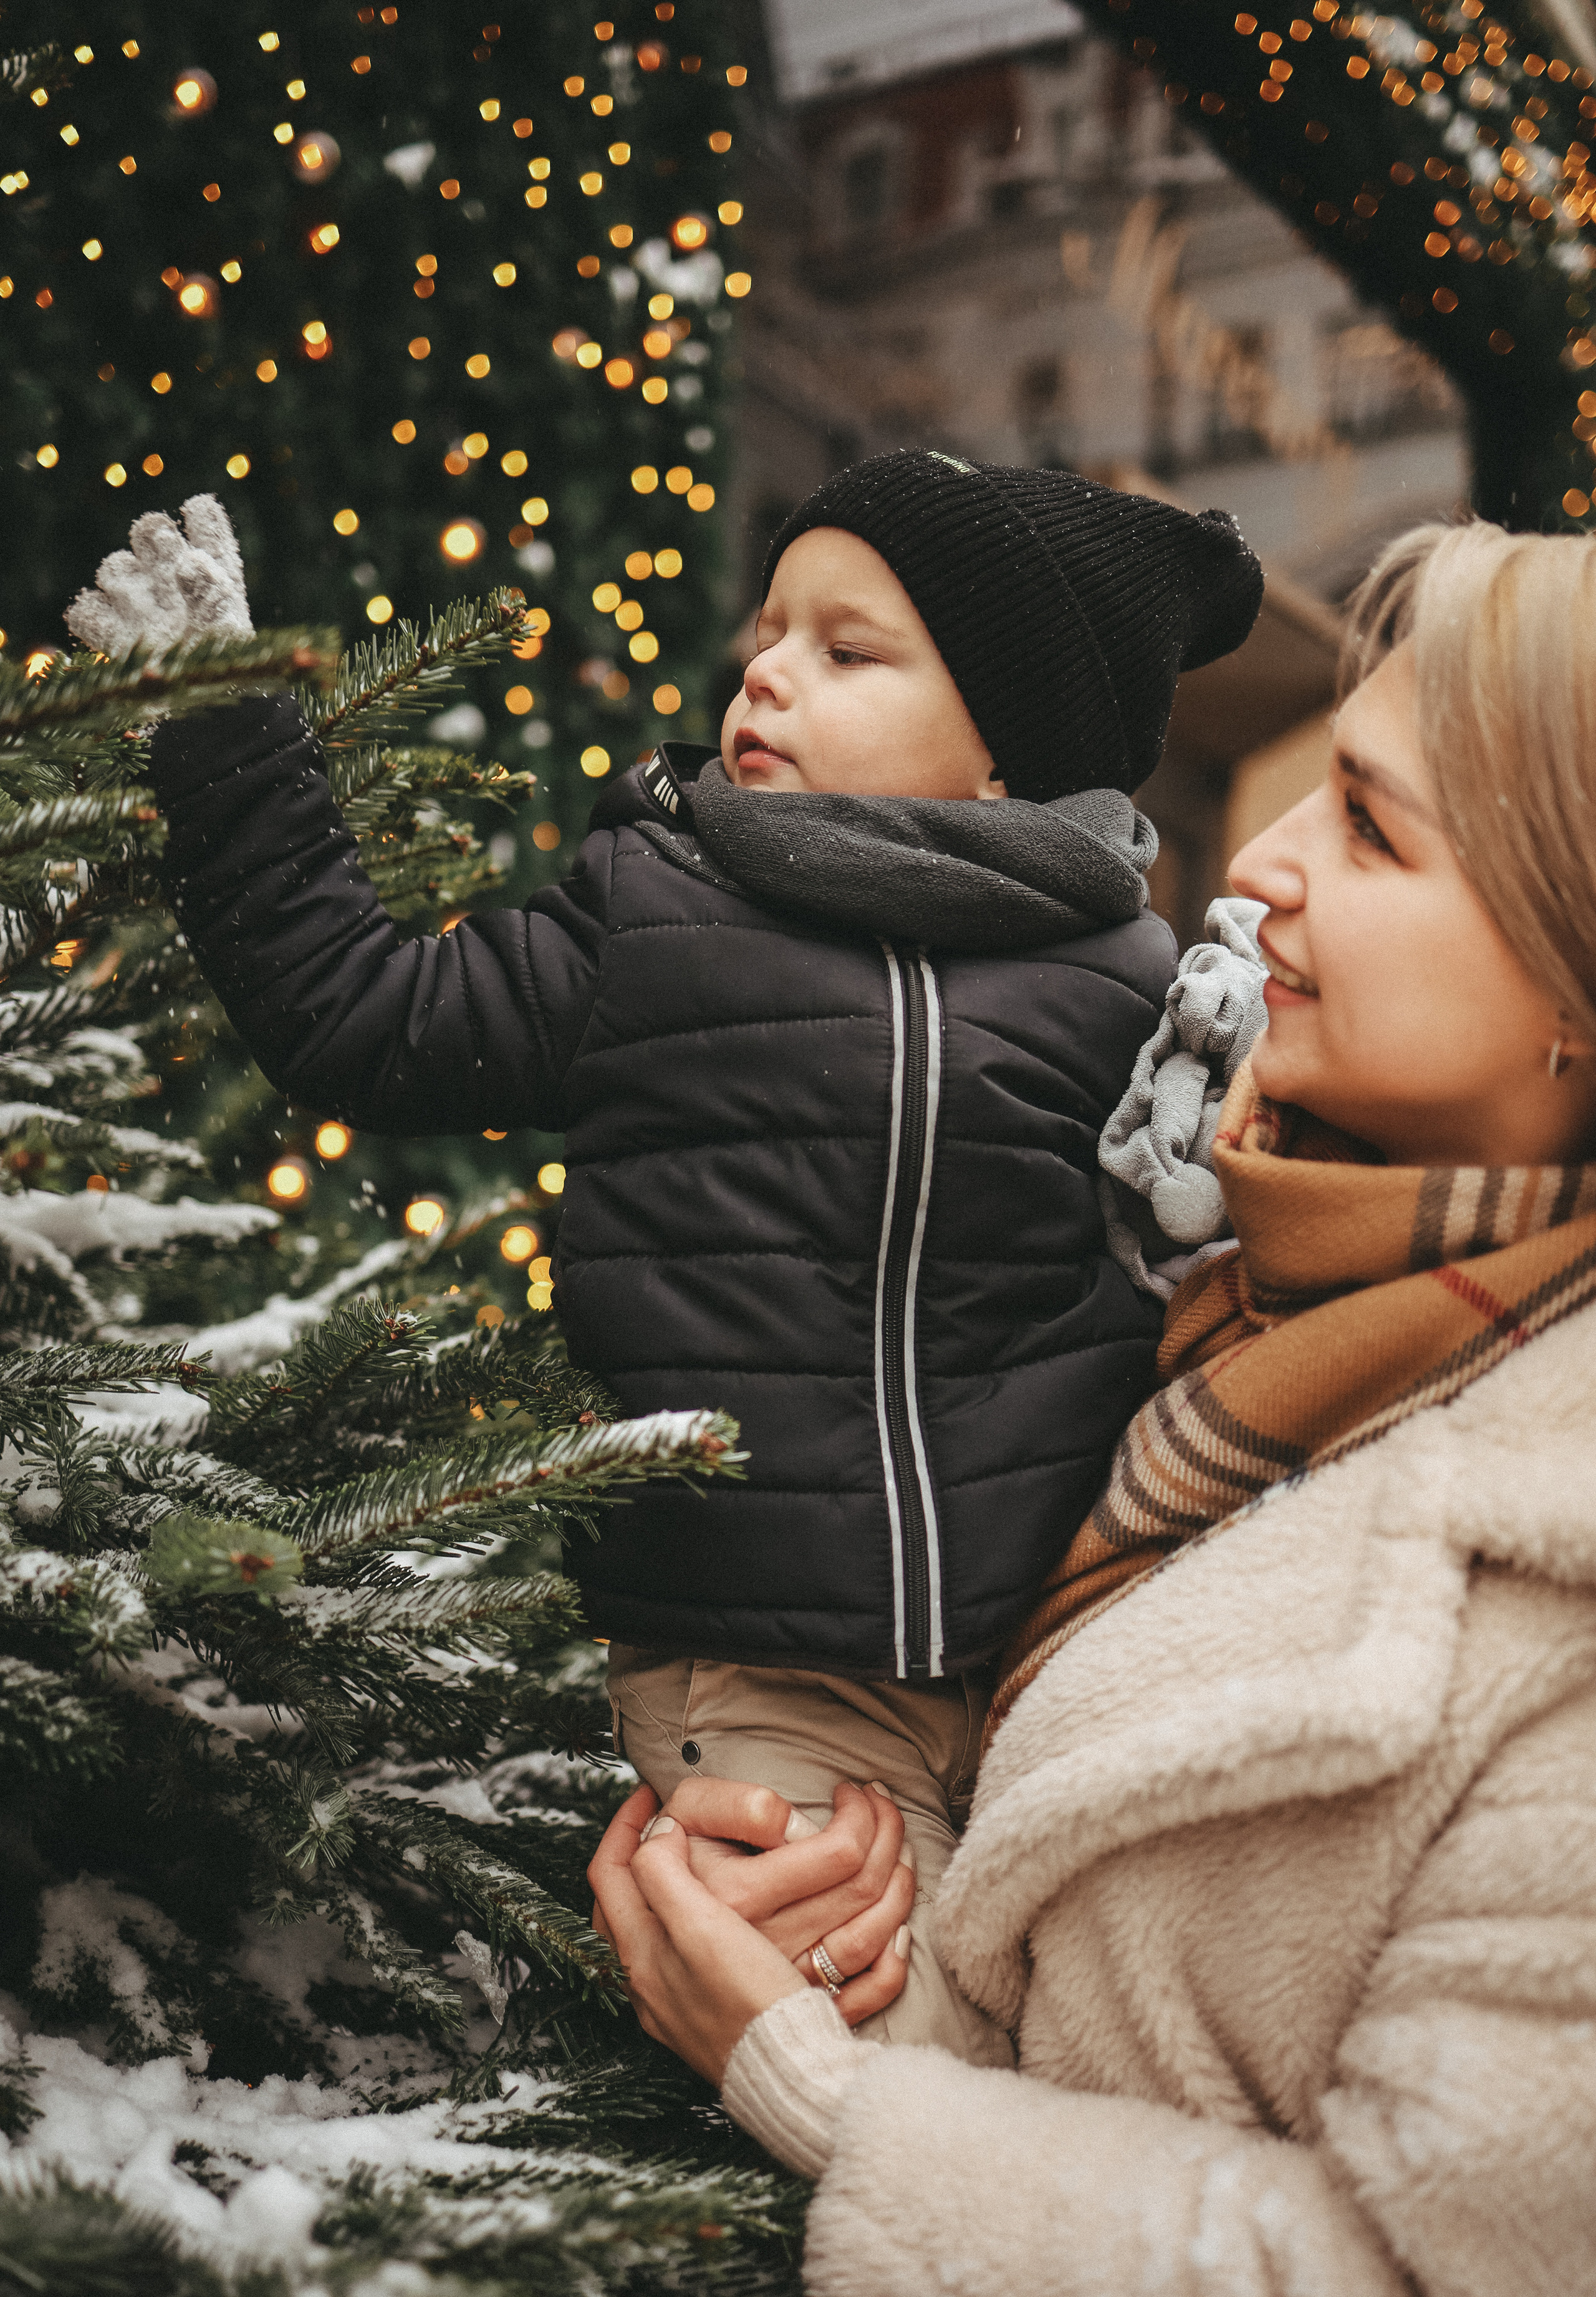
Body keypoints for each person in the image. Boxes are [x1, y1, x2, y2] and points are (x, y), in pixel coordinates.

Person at [81, 456, 1264, 2064]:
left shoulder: (1125, 975)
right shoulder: (657, 907)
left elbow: (1189, 1270)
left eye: (849, 650)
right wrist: (223, 729)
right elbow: (366, 1015)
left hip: (1054, 1652)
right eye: (769, 633)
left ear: (1012, 747)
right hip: (773, 1668)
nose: (766, 672)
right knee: (871, 2041)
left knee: (1112, 2021)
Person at [589, 516, 1596, 2297]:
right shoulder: (1217, 1282)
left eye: (1371, 831)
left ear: (1574, 998)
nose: (1262, 865)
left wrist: (811, 2086)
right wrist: (847, 1894)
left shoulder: (1558, 1566)